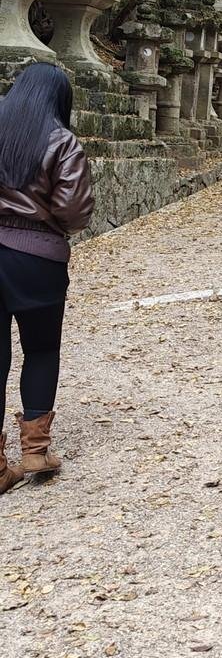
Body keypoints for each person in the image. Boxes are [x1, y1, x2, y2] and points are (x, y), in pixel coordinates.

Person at [0, 63, 94, 496]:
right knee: (40, 350)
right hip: (37, 259)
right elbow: (74, 212)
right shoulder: (61, 141)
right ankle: (35, 450)